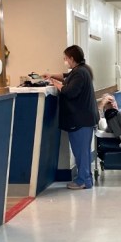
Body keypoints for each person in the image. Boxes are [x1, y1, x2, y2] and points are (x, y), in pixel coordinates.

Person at [43, 45, 99, 190]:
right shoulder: (80, 70)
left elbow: (69, 91)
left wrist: (55, 84)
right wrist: (51, 76)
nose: (64, 60)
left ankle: (83, 181)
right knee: (82, 151)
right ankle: (85, 179)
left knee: (81, 152)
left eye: (66, 58)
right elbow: (66, 76)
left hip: (81, 120)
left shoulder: (80, 73)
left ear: (72, 58)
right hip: (83, 119)